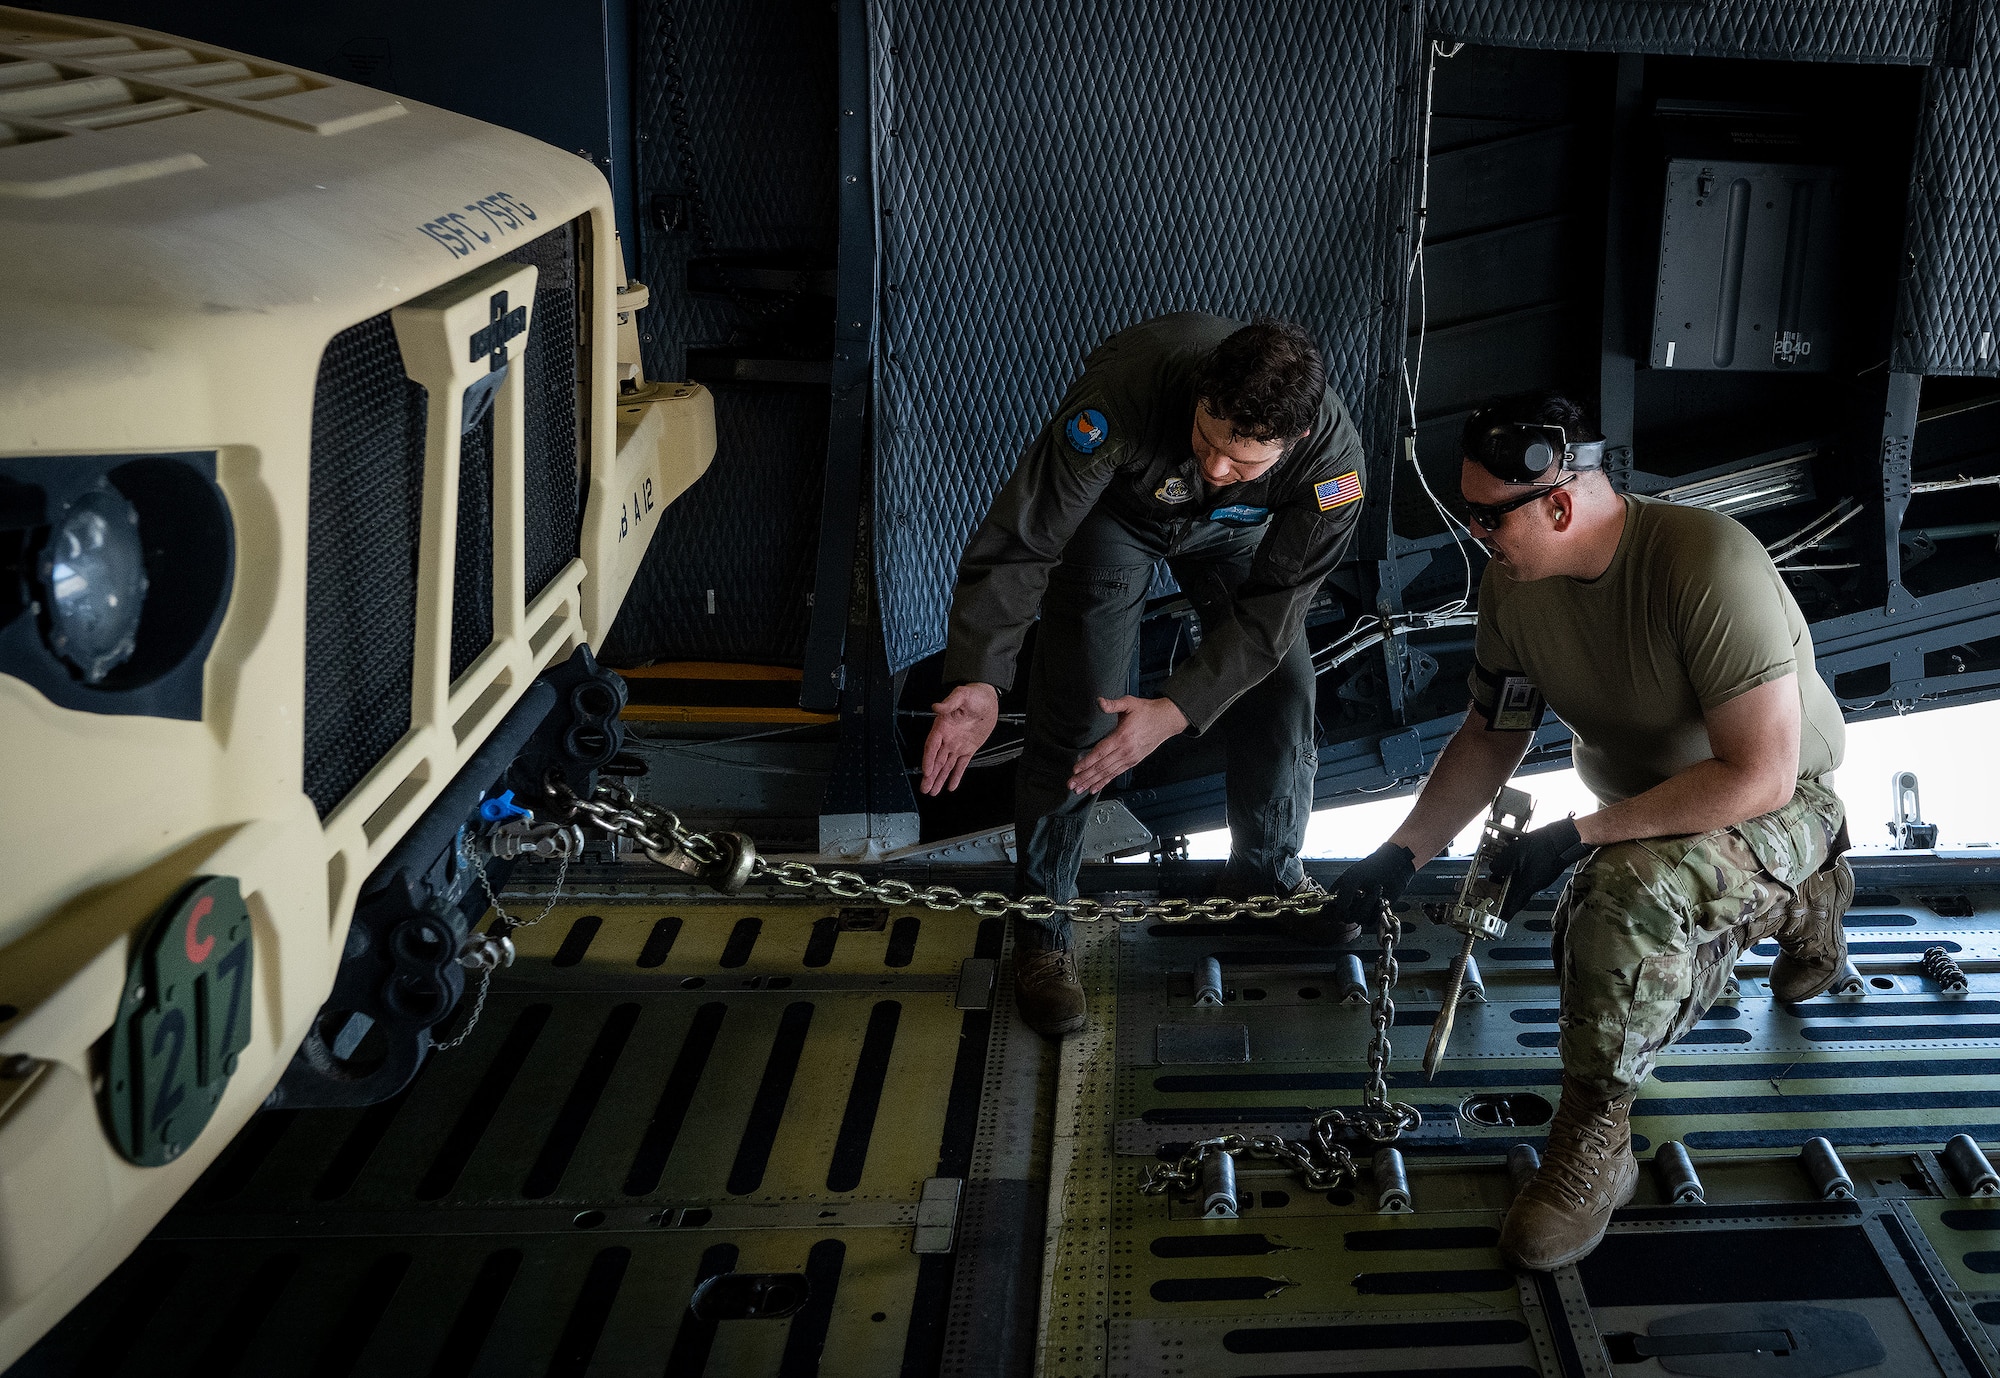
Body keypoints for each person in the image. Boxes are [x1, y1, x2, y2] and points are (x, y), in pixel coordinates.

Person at [1329, 390, 1852, 1271]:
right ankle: (1798, 908)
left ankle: (1592, 1143)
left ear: (1560, 503)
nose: (1473, 534)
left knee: (1618, 903)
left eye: (1486, 516)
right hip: (1650, 810)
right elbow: (1495, 732)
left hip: (1779, 799)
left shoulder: (1705, 563)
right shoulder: (1514, 586)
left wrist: (1581, 836)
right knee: (1634, 899)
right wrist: (1400, 851)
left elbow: (1756, 772)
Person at [920, 313, 1367, 1038]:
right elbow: (1027, 535)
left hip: (1234, 534)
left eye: (1244, 462)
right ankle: (1044, 927)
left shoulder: (1333, 469)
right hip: (1117, 521)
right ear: (1200, 393)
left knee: (1283, 686)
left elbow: (1273, 612)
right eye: (1209, 440)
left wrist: (1178, 708)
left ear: (1297, 442)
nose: (1219, 468)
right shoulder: (1123, 397)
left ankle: (1265, 876)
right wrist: (979, 677)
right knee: (1082, 718)